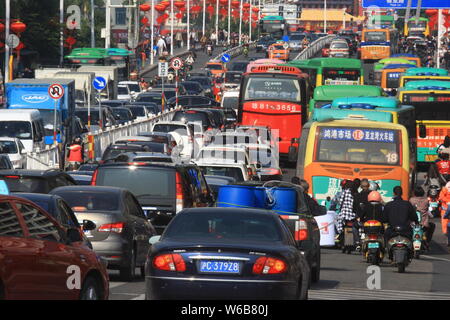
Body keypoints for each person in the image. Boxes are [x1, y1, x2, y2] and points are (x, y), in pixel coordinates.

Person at [438, 182, 450, 247]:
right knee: (444, 222)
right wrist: (447, 201)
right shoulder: (444, 189)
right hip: (445, 209)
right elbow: (441, 197)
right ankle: (446, 234)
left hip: (446, 208)